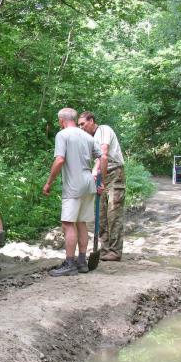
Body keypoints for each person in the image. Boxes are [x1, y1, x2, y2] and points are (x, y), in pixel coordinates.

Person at [43, 107, 99, 276]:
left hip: (74, 185)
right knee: (81, 223)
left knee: (68, 224)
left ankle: (69, 263)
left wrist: (49, 182)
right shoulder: (87, 136)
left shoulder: (63, 135)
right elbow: (102, 156)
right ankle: (82, 262)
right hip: (89, 183)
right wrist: (99, 176)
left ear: (61, 120)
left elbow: (60, 160)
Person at [78, 111, 125, 261]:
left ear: (91, 120)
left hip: (114, 173)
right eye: (79, 125)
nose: (81, 127)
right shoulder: (89, 138)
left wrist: (96, 173)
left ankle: (115, 251)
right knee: (101, 214)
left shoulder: (103, 130)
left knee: (113, 212)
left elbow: (103, 153)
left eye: (83, 124)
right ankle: (104, 250)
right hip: (100, 175)